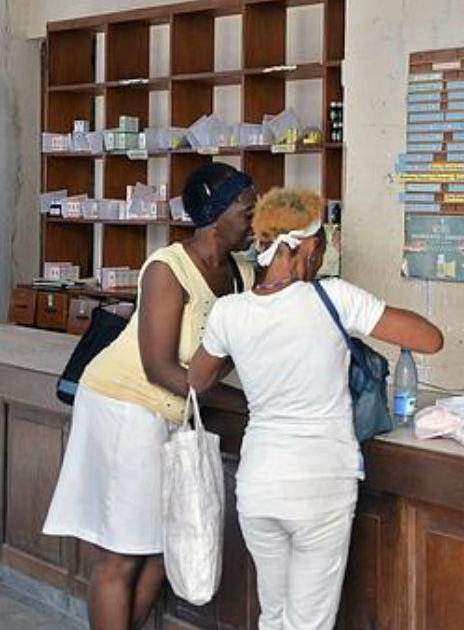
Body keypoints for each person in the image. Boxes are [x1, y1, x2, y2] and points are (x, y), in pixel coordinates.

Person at [187, 188, 443, 630]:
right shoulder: (334, 300)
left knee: (275, 616)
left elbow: (195, 379)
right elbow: (430, 338)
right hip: (320, 487)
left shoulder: (230, 312)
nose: (323, 254)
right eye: (322, 243)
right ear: (305, 245)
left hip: (258, 487)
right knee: (309, 623)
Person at [43, 163, 257, 630]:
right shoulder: (167, 268)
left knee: (161, 552)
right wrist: (248, 404)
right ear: (215, 214)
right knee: (121, 554)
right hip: (124, 408)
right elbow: (158, 366)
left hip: (173, 416)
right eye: (246, 211)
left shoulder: (240, 273)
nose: (253, 221)